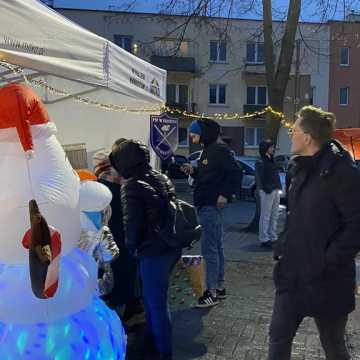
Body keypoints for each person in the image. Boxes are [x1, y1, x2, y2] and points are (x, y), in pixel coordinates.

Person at [268, 106, 360, 360]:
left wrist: (327, 259)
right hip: (293, 274)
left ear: (307, 137)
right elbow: (294, 216)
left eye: (294, 130)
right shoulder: (298, 169)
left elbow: (356, 226)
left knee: (333, 345)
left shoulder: (342, 173)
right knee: (277, 338)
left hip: (328, 279)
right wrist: (282, 245)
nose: (291, 135)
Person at [109, 139, 181, 360]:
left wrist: (132, 250)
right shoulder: (162, 177)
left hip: (153, 251)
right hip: (170, 247)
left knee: (156, 304)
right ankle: (150, 343)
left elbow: (132, 225)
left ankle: (163, 352)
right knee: (153, 300)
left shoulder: (131, 184)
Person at [182, 119, 240, 308]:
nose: (191, 137)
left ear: (204, 133)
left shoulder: (219, 150)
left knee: (210, 249)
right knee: (217, 247)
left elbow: (235, 173)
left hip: (210, 205)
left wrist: (224, 194)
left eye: (194, 133)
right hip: (207, 204)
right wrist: (194, 170)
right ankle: (219, 287)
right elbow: (210, 175)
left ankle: (211, 292)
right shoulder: (208, 150)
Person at [93, 144, 142, 321]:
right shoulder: (123, 188)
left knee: (115, 285)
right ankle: (130, 308)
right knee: (126, 279)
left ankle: (118, 317)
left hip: (109, 248)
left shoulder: (98, 191)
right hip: (126, 245)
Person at [255, 139, 281, 248]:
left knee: (274, 214)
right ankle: (264, 239)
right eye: (271, 147)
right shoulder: (261, 161)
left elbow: (276, 174)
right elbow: (259, 177)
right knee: (265, 215)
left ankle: (272, 236)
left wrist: (278, 186)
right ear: (265, 148)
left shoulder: (272, 160)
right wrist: (264, 189)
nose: (273, 149)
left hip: (275, 189)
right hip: (267, 191)